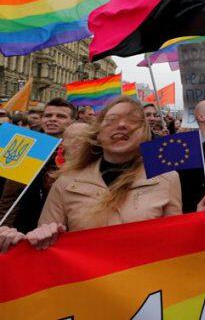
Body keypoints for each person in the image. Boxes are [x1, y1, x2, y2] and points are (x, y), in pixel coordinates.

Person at [0, 96, 182, 252]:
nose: (122, 125)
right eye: (111, 120)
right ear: (98, 134)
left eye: (133, 121)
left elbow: (176, 242)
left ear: (145, 133)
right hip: (86, 288)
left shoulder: (168, 178)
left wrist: (202, 220)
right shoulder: (66, 182)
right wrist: (40, 235)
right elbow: (44, 244)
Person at [0, 98, 76, 232]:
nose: (52, 119)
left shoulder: (79, 153)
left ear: (72, 122)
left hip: (58, 228)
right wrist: (4, 227)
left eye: (61, 116)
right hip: (22, 227)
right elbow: (10, 196)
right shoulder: (30, 146)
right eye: (48, 115)